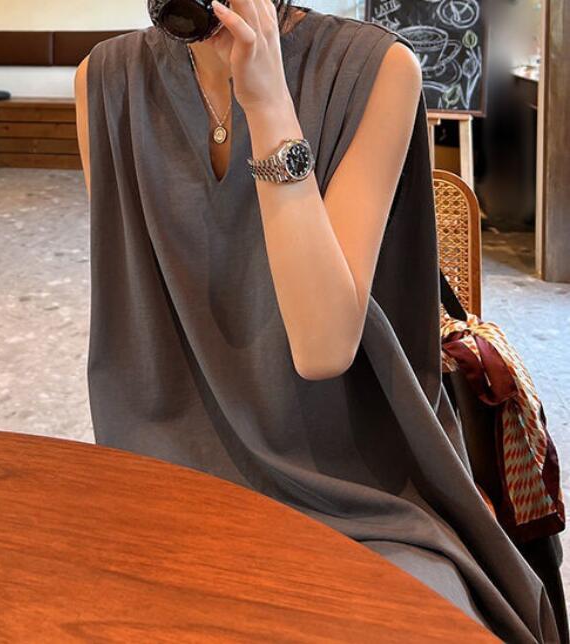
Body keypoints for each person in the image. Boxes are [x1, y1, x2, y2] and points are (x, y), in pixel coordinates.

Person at [74, 1, 562, 641]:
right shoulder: (105, 81)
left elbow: (322, 347)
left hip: (359, 496)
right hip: (165, 485)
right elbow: (144, 312)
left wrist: (269, 108)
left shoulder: (378, 70)